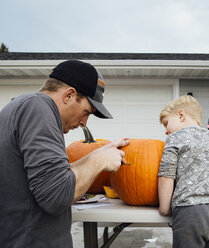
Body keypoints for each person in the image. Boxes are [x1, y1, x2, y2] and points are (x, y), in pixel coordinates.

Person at [0, 60, 129, 247]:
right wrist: (98, 162)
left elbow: (50, 177)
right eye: (86, 112)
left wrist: (98, 153)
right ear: (69, 95)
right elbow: (56, 196)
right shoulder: (39, 108)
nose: (84, 123)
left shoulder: (21, 107)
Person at [158, 95, 209, 248]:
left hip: (191, 212)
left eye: (166, 124)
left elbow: (167, 175)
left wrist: (164, 208)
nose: (166, 131)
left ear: (180, 115)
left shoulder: (176, 138)